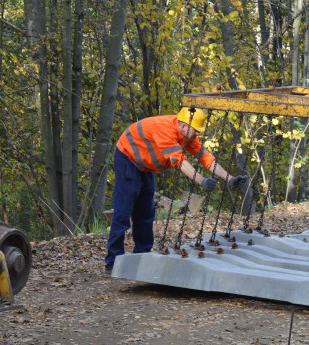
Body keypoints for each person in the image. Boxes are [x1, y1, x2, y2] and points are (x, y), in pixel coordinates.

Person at [104, 107, 248, 272]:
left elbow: (205, 157)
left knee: (146, 212)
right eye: (196, 131)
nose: (198, 134)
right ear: (184, 126)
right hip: (128, 159)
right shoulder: (165, 131)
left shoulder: (187, 134)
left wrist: (231, 179)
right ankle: (112, 262)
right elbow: (179, 161)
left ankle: (142, 256)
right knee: (123, 212)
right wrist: (201, 181)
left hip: (146, 166)